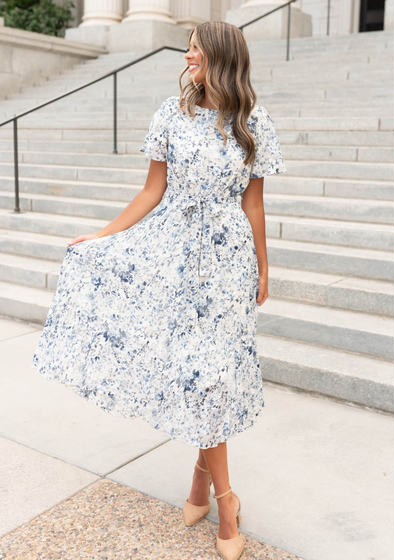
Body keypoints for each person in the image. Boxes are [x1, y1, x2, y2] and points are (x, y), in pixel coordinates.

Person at [31, 20, 287, 560]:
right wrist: (101, 238)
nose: (188, 55)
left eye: (196, 48)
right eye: (189, 48)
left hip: (227, 264)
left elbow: (254, 204)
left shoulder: (253, 121)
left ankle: (204, 483)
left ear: (219, 56)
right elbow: (151, 192)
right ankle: (225, 498)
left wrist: (263, 269)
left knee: (213, 377)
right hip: (173, 255)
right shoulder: (172, 115)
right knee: (196, 374)